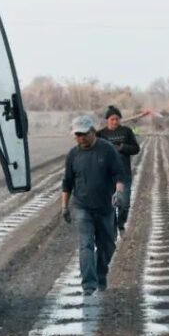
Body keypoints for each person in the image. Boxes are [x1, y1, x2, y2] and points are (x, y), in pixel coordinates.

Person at [61, 114, 127, 295]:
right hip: (82, 207)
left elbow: (119, 175)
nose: (80, 138)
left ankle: (101, 275)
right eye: (77, 135)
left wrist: (119, 192)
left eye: (83, 134)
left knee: (107, 246)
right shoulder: (73, 155)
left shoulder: (107, 150)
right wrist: (64, 207)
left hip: (105, 207)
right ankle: (88, 286)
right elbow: (67, 182)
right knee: (86, 244)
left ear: (92, 132)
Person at [96, 105, 140, 232]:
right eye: (112, 119)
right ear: (107, 120)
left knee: (124, 203)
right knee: (108, 203)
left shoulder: (126, 131)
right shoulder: (100, 134)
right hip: (106, 176)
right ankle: (112, 224)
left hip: (124, 173)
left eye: (117, 119)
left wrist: (122, 148)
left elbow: (136, 149)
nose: (115, 121)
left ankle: (121, 222)